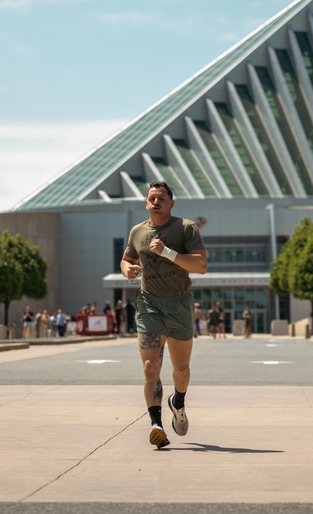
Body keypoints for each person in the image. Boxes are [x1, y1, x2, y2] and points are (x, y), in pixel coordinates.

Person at [120, 180, 208, 449]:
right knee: (150, 367)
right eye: (151, 198)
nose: (155, 201)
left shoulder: (185, 228)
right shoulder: (137, 232)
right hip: (149, 304)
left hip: (180, 304)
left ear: (171, 203)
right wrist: (128, 271)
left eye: (161, 198)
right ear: (146, 203)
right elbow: (127, 260)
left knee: (181, 369)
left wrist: (168, 252)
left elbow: (201, 265)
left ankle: (178, 402)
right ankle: (156, 424)